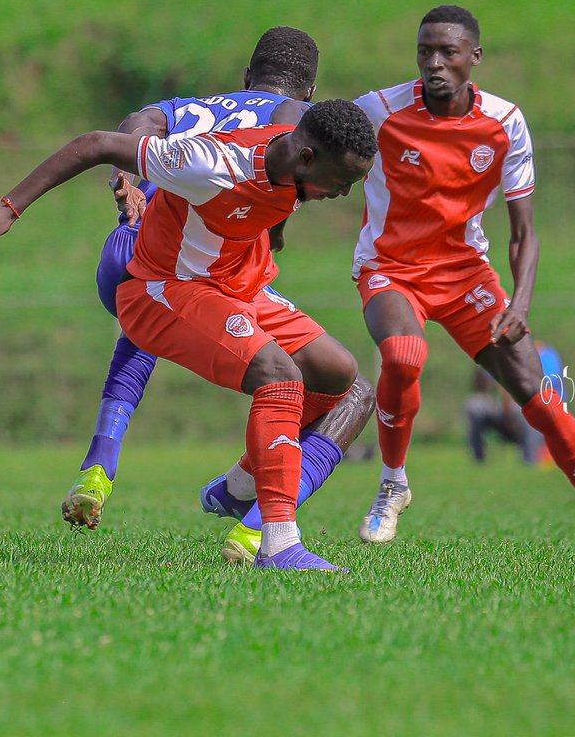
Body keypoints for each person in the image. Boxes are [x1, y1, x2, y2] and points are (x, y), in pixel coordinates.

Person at [0, 98, 379, 572]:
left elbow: (270, 197)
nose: (343, 194)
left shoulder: (294, 155)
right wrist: (10, 206)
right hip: (161, 290)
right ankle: (279, 544)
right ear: (306, 158)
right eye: (341, 183)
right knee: (278, 375)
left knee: (338, 373)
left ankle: (240, 486)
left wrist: (271, 234)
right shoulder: (209, 164)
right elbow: (96, 144)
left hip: (232, 286)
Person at [352, 5, 575, 545]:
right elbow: (311, 135)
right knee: (402, 355)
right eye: (425, 52)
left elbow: (523, 233)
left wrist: (521, 305)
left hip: (466, 275)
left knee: (538, 398)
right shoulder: (379, 110)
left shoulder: (505, 122)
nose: (434, 63)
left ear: (475, 57)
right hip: (390, 268)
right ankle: (392, 483)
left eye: (448, 52)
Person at [63, 27, 373, 537]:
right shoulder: (292, 123)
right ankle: (259, 520)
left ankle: (100, 467)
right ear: (311, 95)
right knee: (332, 385)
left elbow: (139, 123)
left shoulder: (195, 105)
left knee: (148, 326)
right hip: (186, 265)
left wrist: (129, 181)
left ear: (246, 77)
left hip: (126, 244)